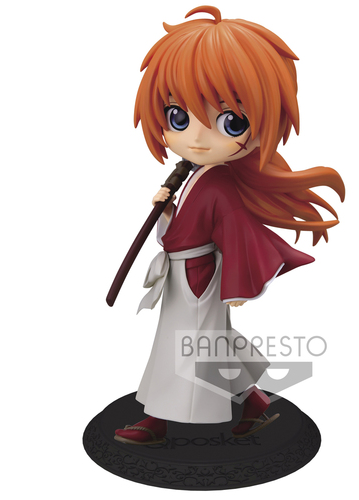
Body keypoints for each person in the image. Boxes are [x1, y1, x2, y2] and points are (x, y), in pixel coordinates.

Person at [114, 5, 345, 445]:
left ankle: (158, 421)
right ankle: (254, 402)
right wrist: (167, 210)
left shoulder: (219, 184)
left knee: (183, 346)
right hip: (185, 272)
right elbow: (189, 225)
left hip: (198, 276)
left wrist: (238, 285)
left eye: (229, 121)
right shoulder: (197, 173)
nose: (197, 137)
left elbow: (237, 233)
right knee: (209, 339)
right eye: (178, 117)